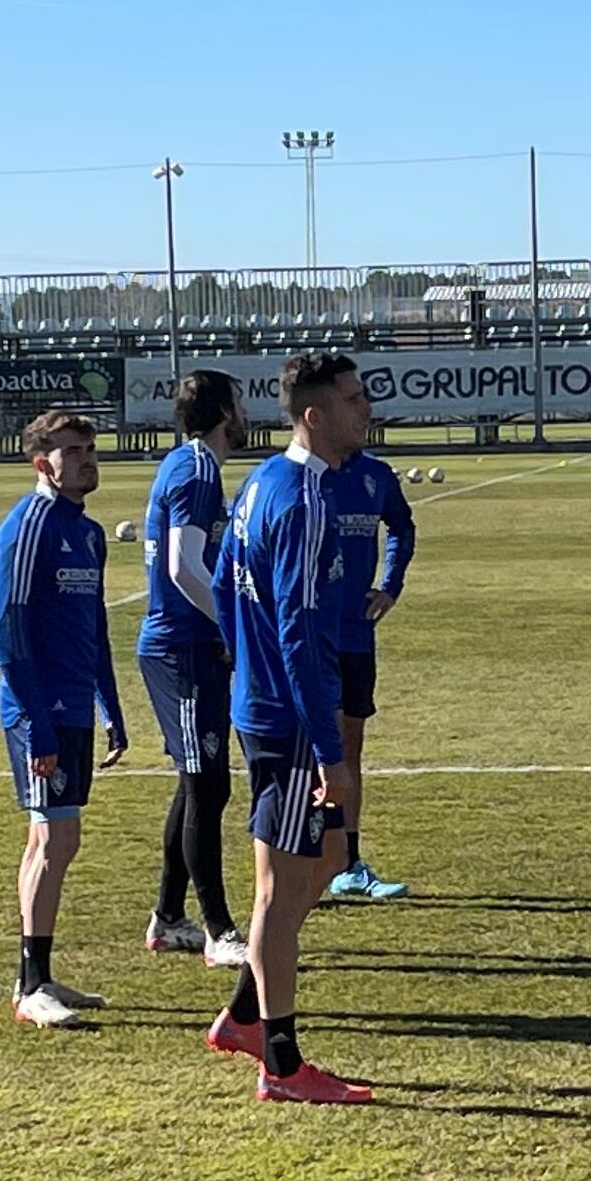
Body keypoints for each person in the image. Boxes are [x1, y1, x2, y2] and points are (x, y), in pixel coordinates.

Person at [208, 352, 376, 1103]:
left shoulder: (261, 484)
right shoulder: (304, 500)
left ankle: (245, 1015)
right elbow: (300, 632)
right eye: (350, 398)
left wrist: (247, 671)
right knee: (281, 889)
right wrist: (329, 748)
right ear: (314, 415)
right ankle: (280, 1062)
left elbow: (221, 583)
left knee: (318, 864)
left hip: (268, 706)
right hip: (289, 719)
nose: (363, 408)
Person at [0, 407, 126, 1027]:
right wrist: (37, 723)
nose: (88, 460)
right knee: (55, 839)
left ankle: (38, 976)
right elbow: (7, 633)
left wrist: (111, 705)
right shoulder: (28, 529)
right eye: (75, 451)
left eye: (91, 449)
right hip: (38, 710)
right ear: (43, 462)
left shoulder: (88, 533)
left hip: (73, 705)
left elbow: (93, 626)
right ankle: (29, 984)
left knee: (50, 840)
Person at [135, 368, 249, 972]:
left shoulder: (189, 465)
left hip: (186, 646)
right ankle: (219, 930)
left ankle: (168, 917)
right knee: (209, 785)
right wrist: (232, 626)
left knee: (197, 781)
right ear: (225, 412)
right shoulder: (198, 470)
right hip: (182, 649)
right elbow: (183, 567)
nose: (245, 412)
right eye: (240, 401)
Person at [321, 362, 420, 903]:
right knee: (318, 747)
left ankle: (348, 862)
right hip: (313, 636)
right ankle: (312, 856)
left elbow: (403, 528)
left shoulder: (375, 476)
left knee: (349, 748)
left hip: (357, 635)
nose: (364, 412)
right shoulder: (304, 477)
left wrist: (390, 586)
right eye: (355, 402)